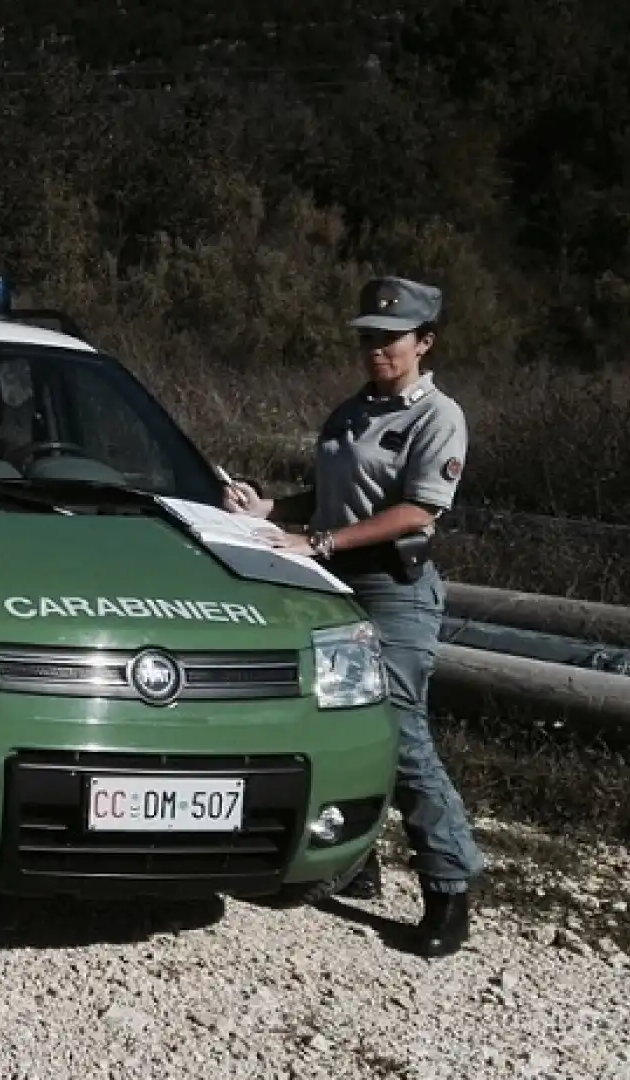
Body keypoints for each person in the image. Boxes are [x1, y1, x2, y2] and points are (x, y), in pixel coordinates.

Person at [223, 275, 486, 958]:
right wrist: (270, 511)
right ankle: (350, 857)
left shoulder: (437, 417)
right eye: (367, 337)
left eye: (390, 339)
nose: (376, 349)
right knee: (326, 721)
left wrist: (321, 540)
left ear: (423, 342)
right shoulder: (350, 412)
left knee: (398, 733)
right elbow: (333, 492)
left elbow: (417, 512)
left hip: (393, 588)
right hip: (330, 585)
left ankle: (449, 884)